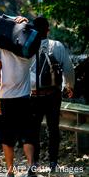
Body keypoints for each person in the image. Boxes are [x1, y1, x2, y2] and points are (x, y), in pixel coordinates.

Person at [0, 16, 37, 177]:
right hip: (25, 96)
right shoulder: (28, 45)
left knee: (7, 136)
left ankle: (11, 170)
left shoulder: (0, 46)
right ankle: (31, 166)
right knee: (27, 133)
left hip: (6, 97)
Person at [30, 17, 75, 171]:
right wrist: (70, 86)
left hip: (33, 95)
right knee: (53, 129)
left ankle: (34, 162)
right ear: (48, 30)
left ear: (32, 31)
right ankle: (53, 163)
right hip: (53, 94)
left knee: (33, 130)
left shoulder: (27, 48)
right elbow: (68, 69)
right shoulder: (57, 46)